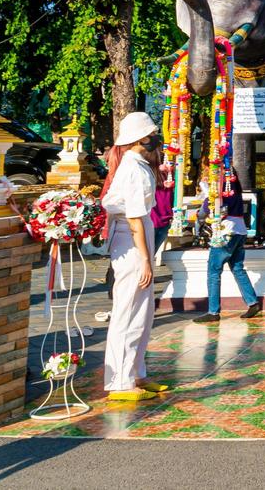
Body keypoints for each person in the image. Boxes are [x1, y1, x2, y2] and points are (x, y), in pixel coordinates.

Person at [102, 111, 168, 401]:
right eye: (152, 133)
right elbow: (133, 218)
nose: (156, 137)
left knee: (143, 310)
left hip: (138, 235)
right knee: (128, 310)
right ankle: (119, 381)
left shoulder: (138, 165)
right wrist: (145, 259)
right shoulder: (134, 168)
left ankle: (136, 372)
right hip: (131, 241)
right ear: (143, 138)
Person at [194, 170, 263, 324]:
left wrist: (202, 209)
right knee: (237, 268)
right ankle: (252, 302)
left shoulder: (219, 186)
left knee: (213, 271)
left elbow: (209, 207)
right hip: (240, 229)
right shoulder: (233, 185)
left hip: (225, 231)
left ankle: (213, 311)